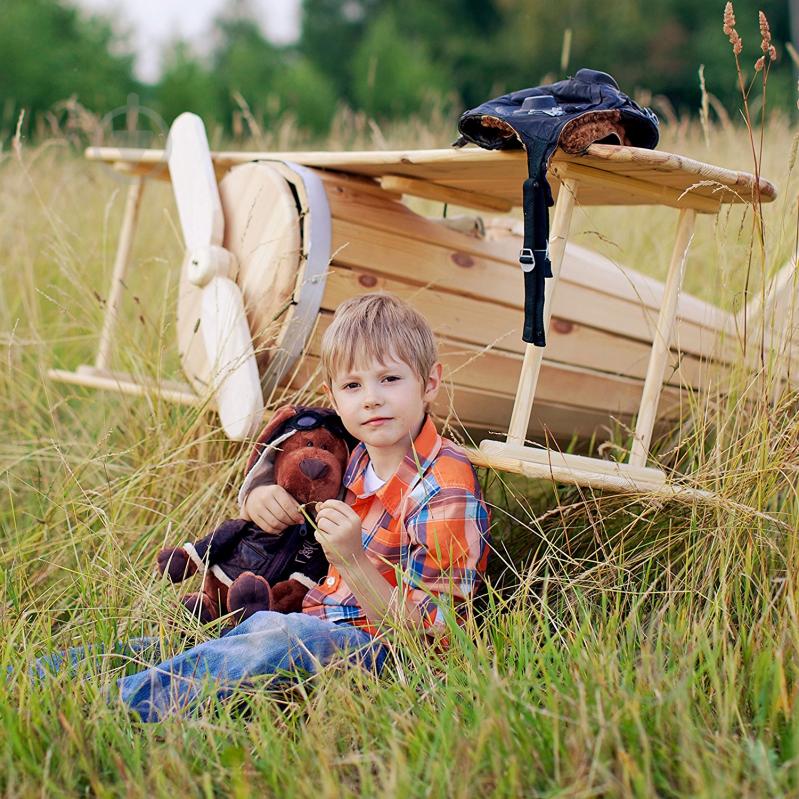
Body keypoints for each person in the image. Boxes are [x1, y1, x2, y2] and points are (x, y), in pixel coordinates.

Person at [30, 292, 491, 721]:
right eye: (353, 385)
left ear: (429, 382)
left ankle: (113, 709)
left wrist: (351, 560)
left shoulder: (443, 488)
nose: (371, 397)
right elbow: (287, 458)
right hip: (306, 617)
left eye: (390, 379)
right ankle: (35, 681)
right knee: (202, 638)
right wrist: (257, 494)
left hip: (380, 649)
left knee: (280, 640)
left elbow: (434, 636)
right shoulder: (356, 457)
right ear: (333, 398)